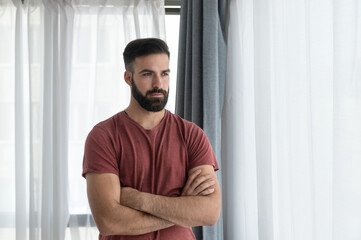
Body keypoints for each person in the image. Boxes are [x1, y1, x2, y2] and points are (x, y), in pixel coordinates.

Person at [82, 38, 221, 240]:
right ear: (128, 78)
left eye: (164, 74)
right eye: (147, 74)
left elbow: (209, 212)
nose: (158, 84)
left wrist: (139, 200)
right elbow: (109, 221)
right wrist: (182, 207)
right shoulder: (103, 136)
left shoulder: (192, 135)